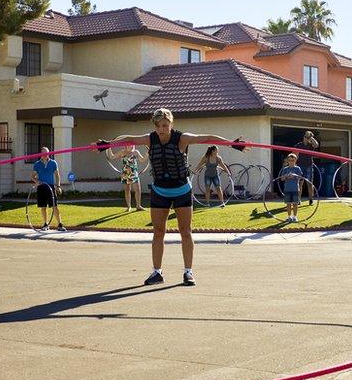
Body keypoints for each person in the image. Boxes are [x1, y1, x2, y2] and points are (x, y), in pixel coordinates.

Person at [96, 108, 245, 287]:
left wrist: (231, 143)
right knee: (158, 232)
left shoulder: (182, 138)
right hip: (160, 191)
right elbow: (128, 139)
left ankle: (188, 272)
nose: (161, 129)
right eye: (158, 126)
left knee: (185, 231)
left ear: (171, 124)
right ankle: (157, 272)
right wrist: (108, 143)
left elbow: (206, 138)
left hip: (181, 189)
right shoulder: (150, 139)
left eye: (165, 125)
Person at [31, 147, 67, 232]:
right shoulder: (37, 164)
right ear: (41, 154)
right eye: (43, 153)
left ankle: (60, 224)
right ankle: (45, 224)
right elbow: (32, 176)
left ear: (48, 154)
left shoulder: (53, 163)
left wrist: (58, 186)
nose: (45, 155)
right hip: (41, 187)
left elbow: (57, 175)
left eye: (46, 153)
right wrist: (37, 181)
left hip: (51, 186)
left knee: (55, 206)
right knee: (43, 207)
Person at [111, 146, 146, 212]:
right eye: (128, 144)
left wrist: (148, 153)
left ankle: (138, 206)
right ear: (126, 145)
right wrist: (108, 148)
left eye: (131, 144)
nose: (130, 146)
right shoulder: (122, 152)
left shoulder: (136, 152)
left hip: (134, 174)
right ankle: (129, 207)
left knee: (138, 190)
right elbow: (112, 156)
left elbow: (142, 160)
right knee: (127, 190)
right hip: (125, 174)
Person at [293, 131, 320, 205]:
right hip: (300, 166)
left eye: (308, 138)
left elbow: (316, 144)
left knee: (310, 183)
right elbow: (294, 154)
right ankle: (298, 200)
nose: (306, 139)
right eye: (305, 137)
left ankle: (311, 199)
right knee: (300, 183)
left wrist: (311, 137)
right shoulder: (299, 145)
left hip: (309, 166)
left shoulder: (311, 145)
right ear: (303, 137)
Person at [278, 153, 304, 222]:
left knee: (295, 203)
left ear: (295, 161)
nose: (291, 162)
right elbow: (282, 179)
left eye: (292, 160)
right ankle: (289, 217)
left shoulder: (297, 168)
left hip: (295, 189)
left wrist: (294, 176)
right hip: (287, 189)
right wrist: (287, 176)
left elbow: (300, 178)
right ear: (287, 161)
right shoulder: (285, 169)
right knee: (288, 204)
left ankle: (295, 217)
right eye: (289, 160)